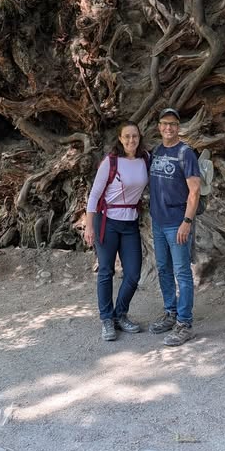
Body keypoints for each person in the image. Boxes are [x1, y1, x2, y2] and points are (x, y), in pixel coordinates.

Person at [84, 121, 148, 342]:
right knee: (106, 271)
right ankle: (107, 319)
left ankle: (120, 314)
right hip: (107, 221)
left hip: (130, 222)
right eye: (127, 136)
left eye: (135, 136)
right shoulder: (111, 162)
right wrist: (89, 225)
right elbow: (94, 195)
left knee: (133, 273)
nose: (131, 140)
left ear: (139, 138)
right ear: (120, 139)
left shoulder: (145, 160)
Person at [148, 107, 201, 347]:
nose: (168, 127)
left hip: (177, 223)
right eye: (164, 123)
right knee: (163, 269)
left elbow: (195, 191)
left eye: (172, 124)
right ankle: (170, 313)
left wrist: (186, 222)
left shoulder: (186, 153)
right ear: (159, 126)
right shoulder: (156, 151)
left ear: (178, 127)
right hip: (158, 223)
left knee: (182, 273)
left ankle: (185, 323)